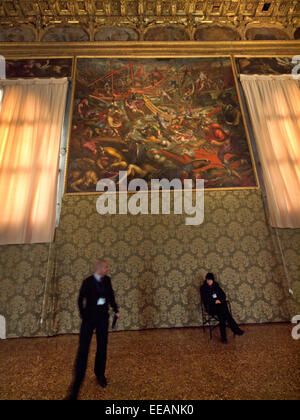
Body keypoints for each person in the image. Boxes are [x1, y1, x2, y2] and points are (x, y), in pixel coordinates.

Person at [67, 260, 120, 400]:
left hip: (103, 319)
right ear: (100, 268)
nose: (108, 269)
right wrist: (84, 315)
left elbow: (110, 296)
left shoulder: (107, 280)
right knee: (83, 350)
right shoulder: (87, 282)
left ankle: (100, 374)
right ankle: (76, 386)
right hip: (89, 320)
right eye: (106, 267)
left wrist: (116, 310)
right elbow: (80, 300)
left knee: (102, 347)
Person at [200, 272, 244, 344]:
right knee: (224, 311)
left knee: (222, 314)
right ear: (206, 280)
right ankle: (235, 329)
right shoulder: (203, 288)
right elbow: (205, 299)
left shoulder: (216, 286)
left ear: (213, 280)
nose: (209, 281)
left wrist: (219, 300)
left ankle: (224, 338)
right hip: (210, 307)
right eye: (207, 280)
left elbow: (223, 295)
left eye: (210, 280)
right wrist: (215, 301)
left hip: (219, 306)